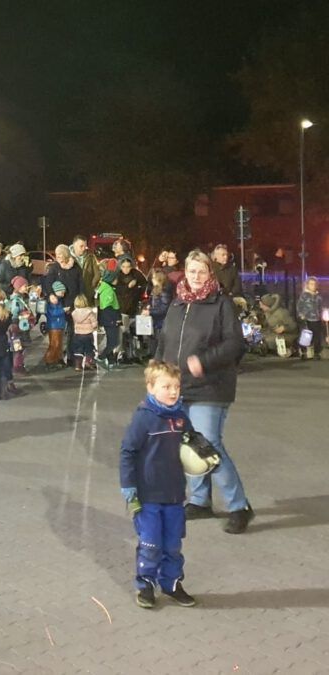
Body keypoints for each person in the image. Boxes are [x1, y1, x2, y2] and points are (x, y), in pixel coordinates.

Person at [155, 250, 252, 534]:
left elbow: (235, 344)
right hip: (179, 386)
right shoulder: (177, 303)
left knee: (208, 445)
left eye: (201, 271)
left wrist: (203, 362)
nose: (196, 276)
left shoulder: (221, 304)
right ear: (185, 271)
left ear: (210, 273)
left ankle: (239, 506)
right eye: (191, 270)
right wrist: (158, 369)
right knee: (187, 443)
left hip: (211, 385)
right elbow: (165, 341)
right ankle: (199, 500)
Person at [120, 360, 201, 609]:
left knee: (173, 543)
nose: (173, 391)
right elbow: (127, 452)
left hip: (174, 493)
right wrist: (129, 487)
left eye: (176, 386)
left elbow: (192, 442)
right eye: (166, 386)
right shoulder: (144, 418)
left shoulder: (180, 417)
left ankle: (172, 583)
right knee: (151, 543)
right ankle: (145, 584)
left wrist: (205, 455)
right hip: (148, 495)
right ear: (150, 387)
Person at [42, 244, 83, 364]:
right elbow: (48, 282)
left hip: (72, 302)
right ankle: (57, 357)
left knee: (72, 331)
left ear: (66, 254)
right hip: (59, 303)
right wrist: (51, 295)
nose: (58, 257)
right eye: (56, 254)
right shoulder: (55, 268)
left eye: (60, 254)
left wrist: (80, 298)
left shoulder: (76, 268)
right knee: (57, 332)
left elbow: (81, 284)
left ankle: (71, 356)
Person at [96, 267, 121, 368]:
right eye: (115, 278)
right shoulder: (108, 291)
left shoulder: (104, 288)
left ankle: (107, 360)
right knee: (114, 341)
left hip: (107, 319)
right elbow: (107, 307)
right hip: (111, 319)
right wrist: (115, 319)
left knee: (112, 340)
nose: (117, 280)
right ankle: (101, 357)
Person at [296, 277, 323, 360]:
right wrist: (301, 315)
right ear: (307, 285)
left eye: (315, 284)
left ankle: (317, 353)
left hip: (317, 319)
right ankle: (304, 352)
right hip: (306, 319)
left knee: (317, 337)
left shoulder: (318, 296)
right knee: (305, 336)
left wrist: (322, 315)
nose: (313, 286)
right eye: (311, 284)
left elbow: (321, 307)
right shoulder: (304, 295)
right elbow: (299, 306)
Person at [44, 282, 68, 369]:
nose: (63, 294)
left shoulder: (58, 301)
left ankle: (57, 358)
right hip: (54, 325)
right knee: (54, 344)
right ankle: (49, 359)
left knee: (59, 344)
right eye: (62, 292)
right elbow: (53, 313)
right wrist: (63, 310)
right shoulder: (53, 302)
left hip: (59, 325)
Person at [70, 294, 98, 371]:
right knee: (89, 349)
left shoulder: (74, 313)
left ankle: (78, 365)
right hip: (88, 334)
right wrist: (95, 327)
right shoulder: (89, 312)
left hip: (78, 334)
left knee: (78, 350)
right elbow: (94, 323)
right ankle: (88, 362)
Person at [71, 235, 101, 304]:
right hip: (73, 295)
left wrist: (91, 287)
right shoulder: (69, 257)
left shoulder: (91, 257)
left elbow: (97, 273)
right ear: (74, 245)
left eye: (85, 246)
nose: (84, 248)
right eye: (81, 246)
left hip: (88, 295)